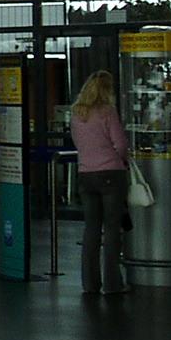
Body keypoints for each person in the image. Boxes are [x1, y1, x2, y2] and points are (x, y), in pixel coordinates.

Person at [70, 70, 130, 296]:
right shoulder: (107, 112)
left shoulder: (77, 114)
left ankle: (90, 283)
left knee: (91, 229)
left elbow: (78, 143)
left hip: (86, 174)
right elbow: (120, 144)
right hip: (111, 173)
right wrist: (122, 160)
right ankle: (113, 284)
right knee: (112, 229)